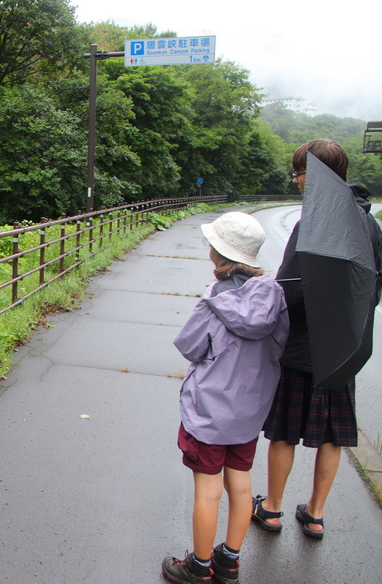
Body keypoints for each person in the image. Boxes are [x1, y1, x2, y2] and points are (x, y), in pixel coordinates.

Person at [251, 139, 382, 539]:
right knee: (332, 435)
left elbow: (290, 287)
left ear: (315, 175)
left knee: (283, 431)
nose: (295, 181)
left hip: (301, 347)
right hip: (342, 347)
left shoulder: (313, 222)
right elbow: (374, 284)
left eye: (298, 172)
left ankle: (272, 509)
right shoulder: (368, 223)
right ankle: (314, 514)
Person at [163, 212, 290, 584]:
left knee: (208, 489)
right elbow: (280, 343)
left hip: (209, 411)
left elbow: (190, 346)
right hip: (250, 410)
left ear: (217, 252)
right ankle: (228, 562)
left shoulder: (216, 298)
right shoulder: (275, 294)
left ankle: (198, 567)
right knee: (242, 483)